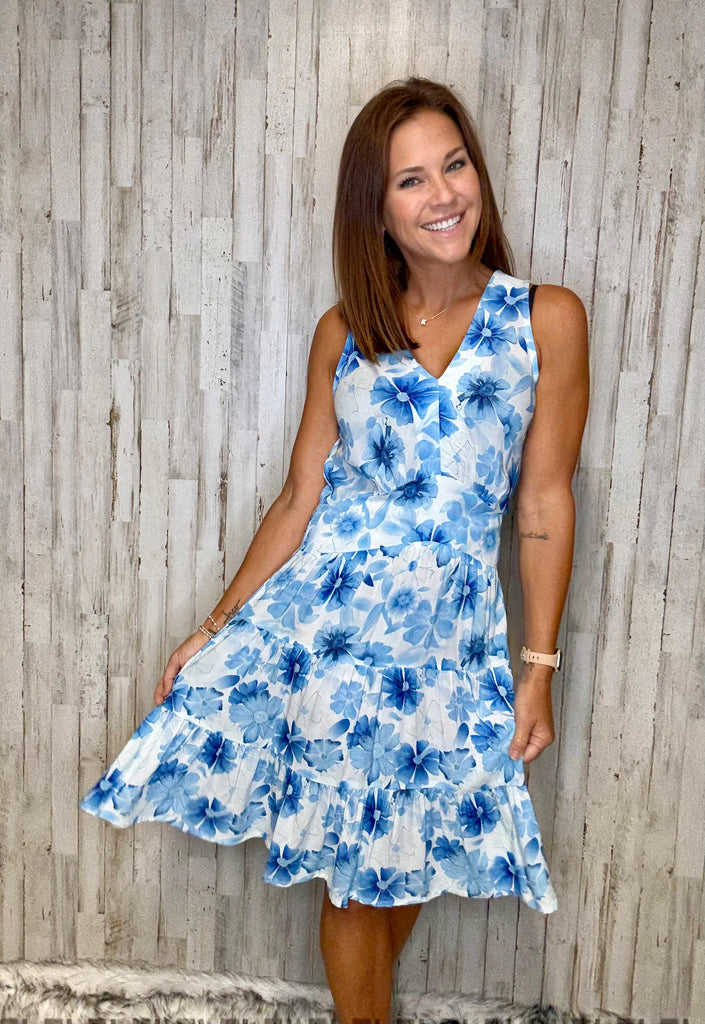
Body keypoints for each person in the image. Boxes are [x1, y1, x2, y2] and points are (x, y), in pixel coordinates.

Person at [82, 77, 589, 1024]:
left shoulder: (543, 319)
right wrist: (215, 626)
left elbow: (542, 501)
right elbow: (299, 496)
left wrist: (538, 667)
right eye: (410, 180)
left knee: (406, 858)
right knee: (354, 883)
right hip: (329, 634)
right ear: (376, 209)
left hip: (447, 649)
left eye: (454, 165)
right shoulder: (347, 329)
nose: (443, 195)